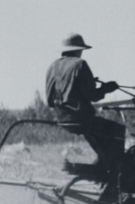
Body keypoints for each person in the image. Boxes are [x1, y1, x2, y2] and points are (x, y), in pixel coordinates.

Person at [45, 33, 125, 176]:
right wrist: (107, 88)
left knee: (102, 139)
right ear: (77, 50)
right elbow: (93, 96)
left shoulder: (53, 66)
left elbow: (50, 99)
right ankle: (117, 171)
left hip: (62, 120)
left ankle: (103, 163)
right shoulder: (80, 64)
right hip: (81, 120)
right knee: (118, 130)